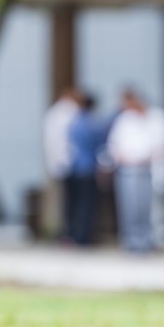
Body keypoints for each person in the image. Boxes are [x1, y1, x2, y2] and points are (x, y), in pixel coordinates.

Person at [107, 89, 164, 254]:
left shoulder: (159, 117)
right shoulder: (124, 120)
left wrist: (152, 156)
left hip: (152, 169)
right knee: (129, 207)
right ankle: (131, 242)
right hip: (128, 169)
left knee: (150, 208)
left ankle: (148, 241)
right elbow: (113, 146)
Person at [65, 94, 107, 245]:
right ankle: (84, 236)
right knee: (87, 205)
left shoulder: (74, 123)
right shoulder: (94, 124)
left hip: (74, 167)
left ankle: (74, 234)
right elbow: (101, 145)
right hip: (89, 168)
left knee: (74, 204)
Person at [42, 87, 81, 239]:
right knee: (69, 203)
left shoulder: (53, 114)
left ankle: (62, 232)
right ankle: (68, 233)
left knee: (62, 203)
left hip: (59, 164)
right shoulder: (69, 112)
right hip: (68, 165)